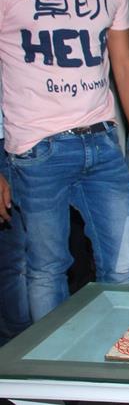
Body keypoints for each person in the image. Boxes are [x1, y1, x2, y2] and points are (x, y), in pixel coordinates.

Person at [0, 0, 129, 321]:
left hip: (102, 142)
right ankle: (47, 374)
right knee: (48, 268)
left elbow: (123, 64)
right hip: (37, 148)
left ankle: (114, 365)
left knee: (122, 265)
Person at [0, 112, 31, 344]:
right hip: (6, 144)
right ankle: (16, 346)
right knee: (17, 260)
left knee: (40, 259)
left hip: (34, 136)